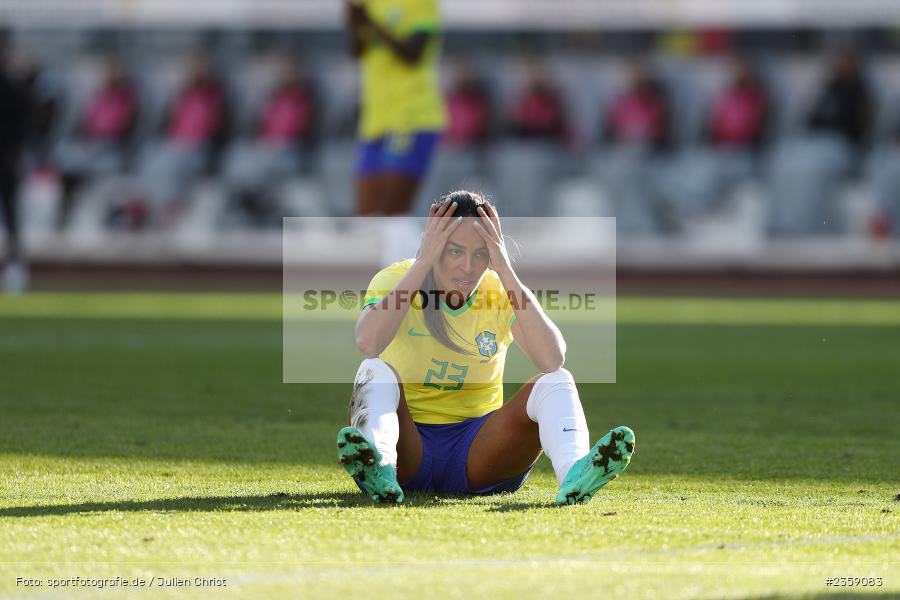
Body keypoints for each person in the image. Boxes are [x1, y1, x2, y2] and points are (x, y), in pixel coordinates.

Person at [337, 190, 635, 505]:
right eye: (455, 251)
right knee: (374, 370)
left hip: (478, 453)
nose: (468, 266)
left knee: (557, 380)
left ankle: (575, 472)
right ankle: (379, 467)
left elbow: (551, 358)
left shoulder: (498, 289)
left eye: (481, 253)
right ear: (434, 245)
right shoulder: (396, 278)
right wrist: (422, 263)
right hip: (406, 446)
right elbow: (368, 343)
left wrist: (504, 268)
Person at [346, 0, 447, 216]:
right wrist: (354, 21)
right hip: (374, 122)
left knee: (392, 213)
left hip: (412, 118)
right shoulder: (370, 4)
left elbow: (413, 53)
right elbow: (358, 50)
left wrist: (369, 22)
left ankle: (423, 248)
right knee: (367, 216)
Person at [221, 55, 316, 226]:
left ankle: (253, 206)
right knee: (240, 154)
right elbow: (260, 125)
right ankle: (246, 203)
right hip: (266, 147)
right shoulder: (273, 98)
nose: (286, 75)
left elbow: (305, 130)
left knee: (259, 165)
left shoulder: (306, 98)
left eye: (290, 71)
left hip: (290, 150)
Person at [54, 55, 139, 227]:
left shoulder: (126, 97)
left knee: (107, 177)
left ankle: (112, 217)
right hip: (93, 144)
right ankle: (65, 214)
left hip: (114, 146)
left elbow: (125, 125)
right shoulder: (97, 96)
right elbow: (88, 122)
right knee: (68, 164)